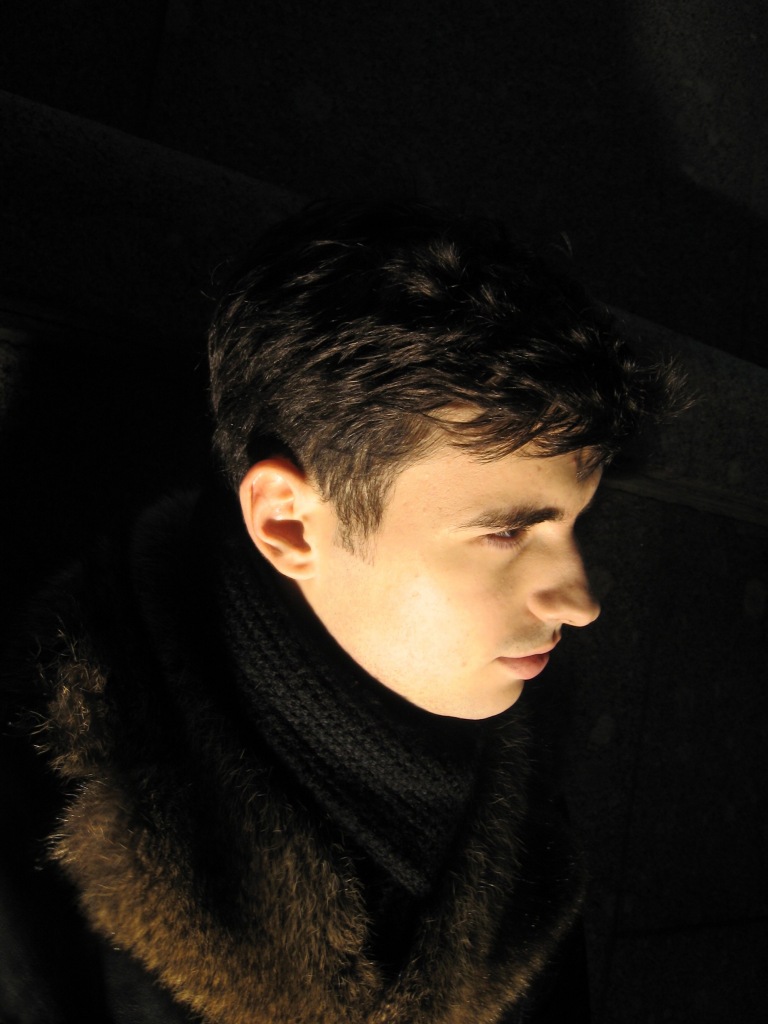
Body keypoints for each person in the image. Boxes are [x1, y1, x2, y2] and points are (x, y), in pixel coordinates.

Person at [0, 201, 682, 1023]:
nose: (581, 601)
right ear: (289, 523)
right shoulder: (36, 823)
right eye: (506, 531)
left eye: (576, 524)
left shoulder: (524, 837)